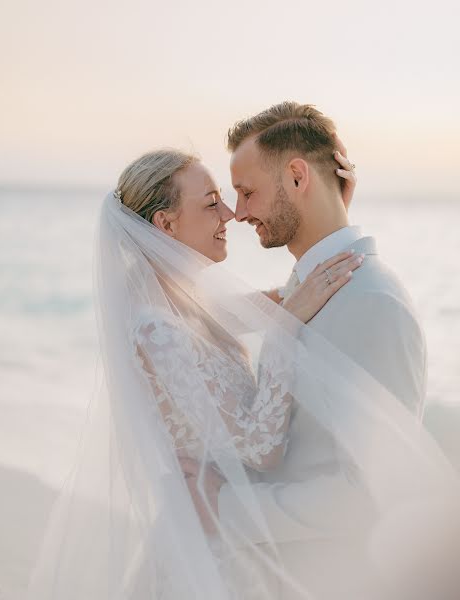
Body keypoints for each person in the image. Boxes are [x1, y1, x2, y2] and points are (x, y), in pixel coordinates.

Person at [26, 113, 460, 600]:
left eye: (243, 193)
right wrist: (315, 226)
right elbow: (264, 436)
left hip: (250, 549)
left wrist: (331, 209)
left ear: (298, 177)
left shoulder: (194, 303)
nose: (235, 214)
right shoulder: (157, 325)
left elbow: (279, 302)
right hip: (220, 553)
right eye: (215, 202)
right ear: (165, 224)